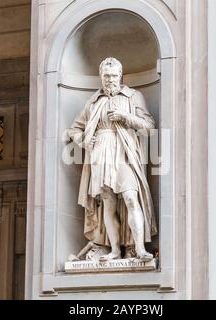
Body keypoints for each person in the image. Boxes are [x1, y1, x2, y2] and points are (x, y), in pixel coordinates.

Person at [68, 57, 157, 262]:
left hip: (126, 152)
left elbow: (149, 125)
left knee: (131, 197)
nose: (110, 80)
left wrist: (126, 116)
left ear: (121, 76)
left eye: (114, 75)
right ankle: (115, 249)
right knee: (108, 203)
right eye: (106, 76)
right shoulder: (93, 102)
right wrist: (84, 140)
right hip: (101, 152)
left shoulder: (133, 96)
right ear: (101, 77)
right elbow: (75, 129)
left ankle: (140, 248)